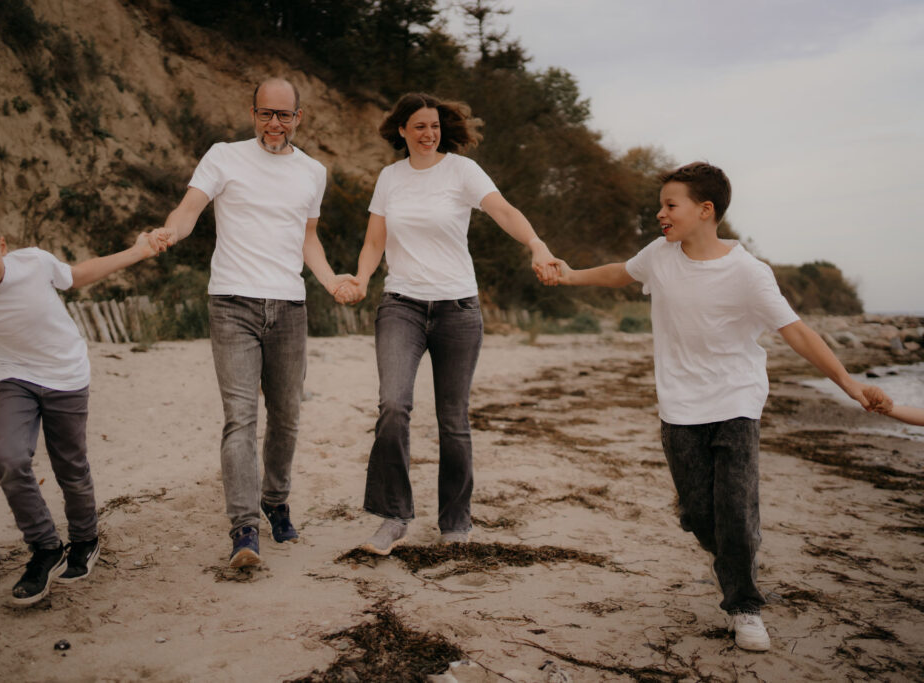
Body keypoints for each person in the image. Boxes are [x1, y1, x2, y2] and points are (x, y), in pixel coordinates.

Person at [549, 162, 891, 652]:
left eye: (671, 205)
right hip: (679, 407)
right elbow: (620, 273)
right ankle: (730, 563)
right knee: (699, 514)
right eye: (661, 205)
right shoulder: (660, 255)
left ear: (705, 210)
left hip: (736, 401)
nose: (660, 214)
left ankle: (745, 605)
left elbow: (796, 332)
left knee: (735, 509)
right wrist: (570, 276)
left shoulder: (749, 273)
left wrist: (848, 384)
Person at [0, 205, 163, 605]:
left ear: (2, 247)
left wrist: (139, 251)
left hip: (67, 377)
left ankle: (85, 539)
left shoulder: (36, 264)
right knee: (9, 458)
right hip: (15, 379)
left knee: (70, 467)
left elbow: (78, 275)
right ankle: (45, 549)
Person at [337, 92, 558, 555]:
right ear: (402, 130)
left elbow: (503, 211)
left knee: (453, 420)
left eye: (434, 126)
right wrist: (360, 277)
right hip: (402, 305)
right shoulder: (390, 178)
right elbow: (375, 239)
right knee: (393, 406)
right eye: (418, 126)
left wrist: (536, 243)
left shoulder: (461, 170)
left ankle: (455, 521)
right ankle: (392, 517)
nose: (428, 133)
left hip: (458, 309)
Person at [153, 78, 355, 568]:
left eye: (284, 115)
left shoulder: (313, 172)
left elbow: (308, 239)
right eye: (266, 114)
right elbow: (190, 210)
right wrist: (168, 232)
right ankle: (244, 527)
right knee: (240, 417)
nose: (274, 123)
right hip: (231, 303)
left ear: (298, 118)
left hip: (289, 306)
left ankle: (275, 501)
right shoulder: (223, 156)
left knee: (286, 415)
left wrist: (330, 280)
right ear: (253, 114)